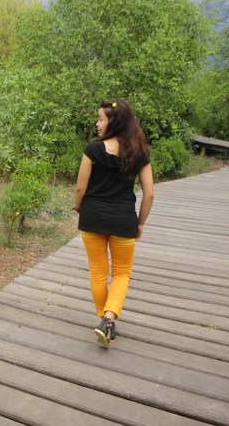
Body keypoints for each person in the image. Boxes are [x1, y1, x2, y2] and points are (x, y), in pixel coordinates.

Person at [73, 99, 154, 348]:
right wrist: (139, 223)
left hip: (92, 217)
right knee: (121, 273)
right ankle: (108, 320)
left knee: (98, 272)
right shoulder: (139, 153)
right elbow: (149, 193)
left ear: (113, 122)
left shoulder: (93, 151)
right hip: (123, 220)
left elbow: (80, 187)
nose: (97, 124)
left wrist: (79, 206)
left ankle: (104, 320)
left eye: (101, 119)